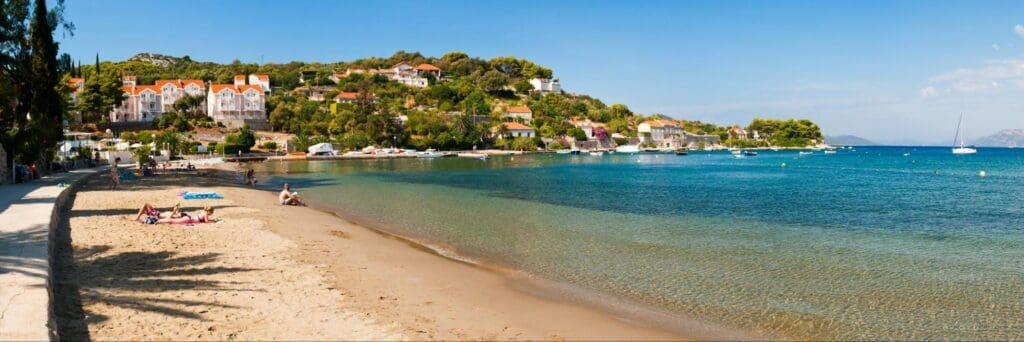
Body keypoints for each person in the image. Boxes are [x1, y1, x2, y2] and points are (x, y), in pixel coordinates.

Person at [140, 206, 217, 225]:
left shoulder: (203, 212)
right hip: (188, 219)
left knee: (172, 220)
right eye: (211, 213)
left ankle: (157, 221)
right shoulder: (206, 213)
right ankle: (156, 221)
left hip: (188, 218)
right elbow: (206, 221)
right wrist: (213, 221)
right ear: (210, 212)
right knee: (172, 221)